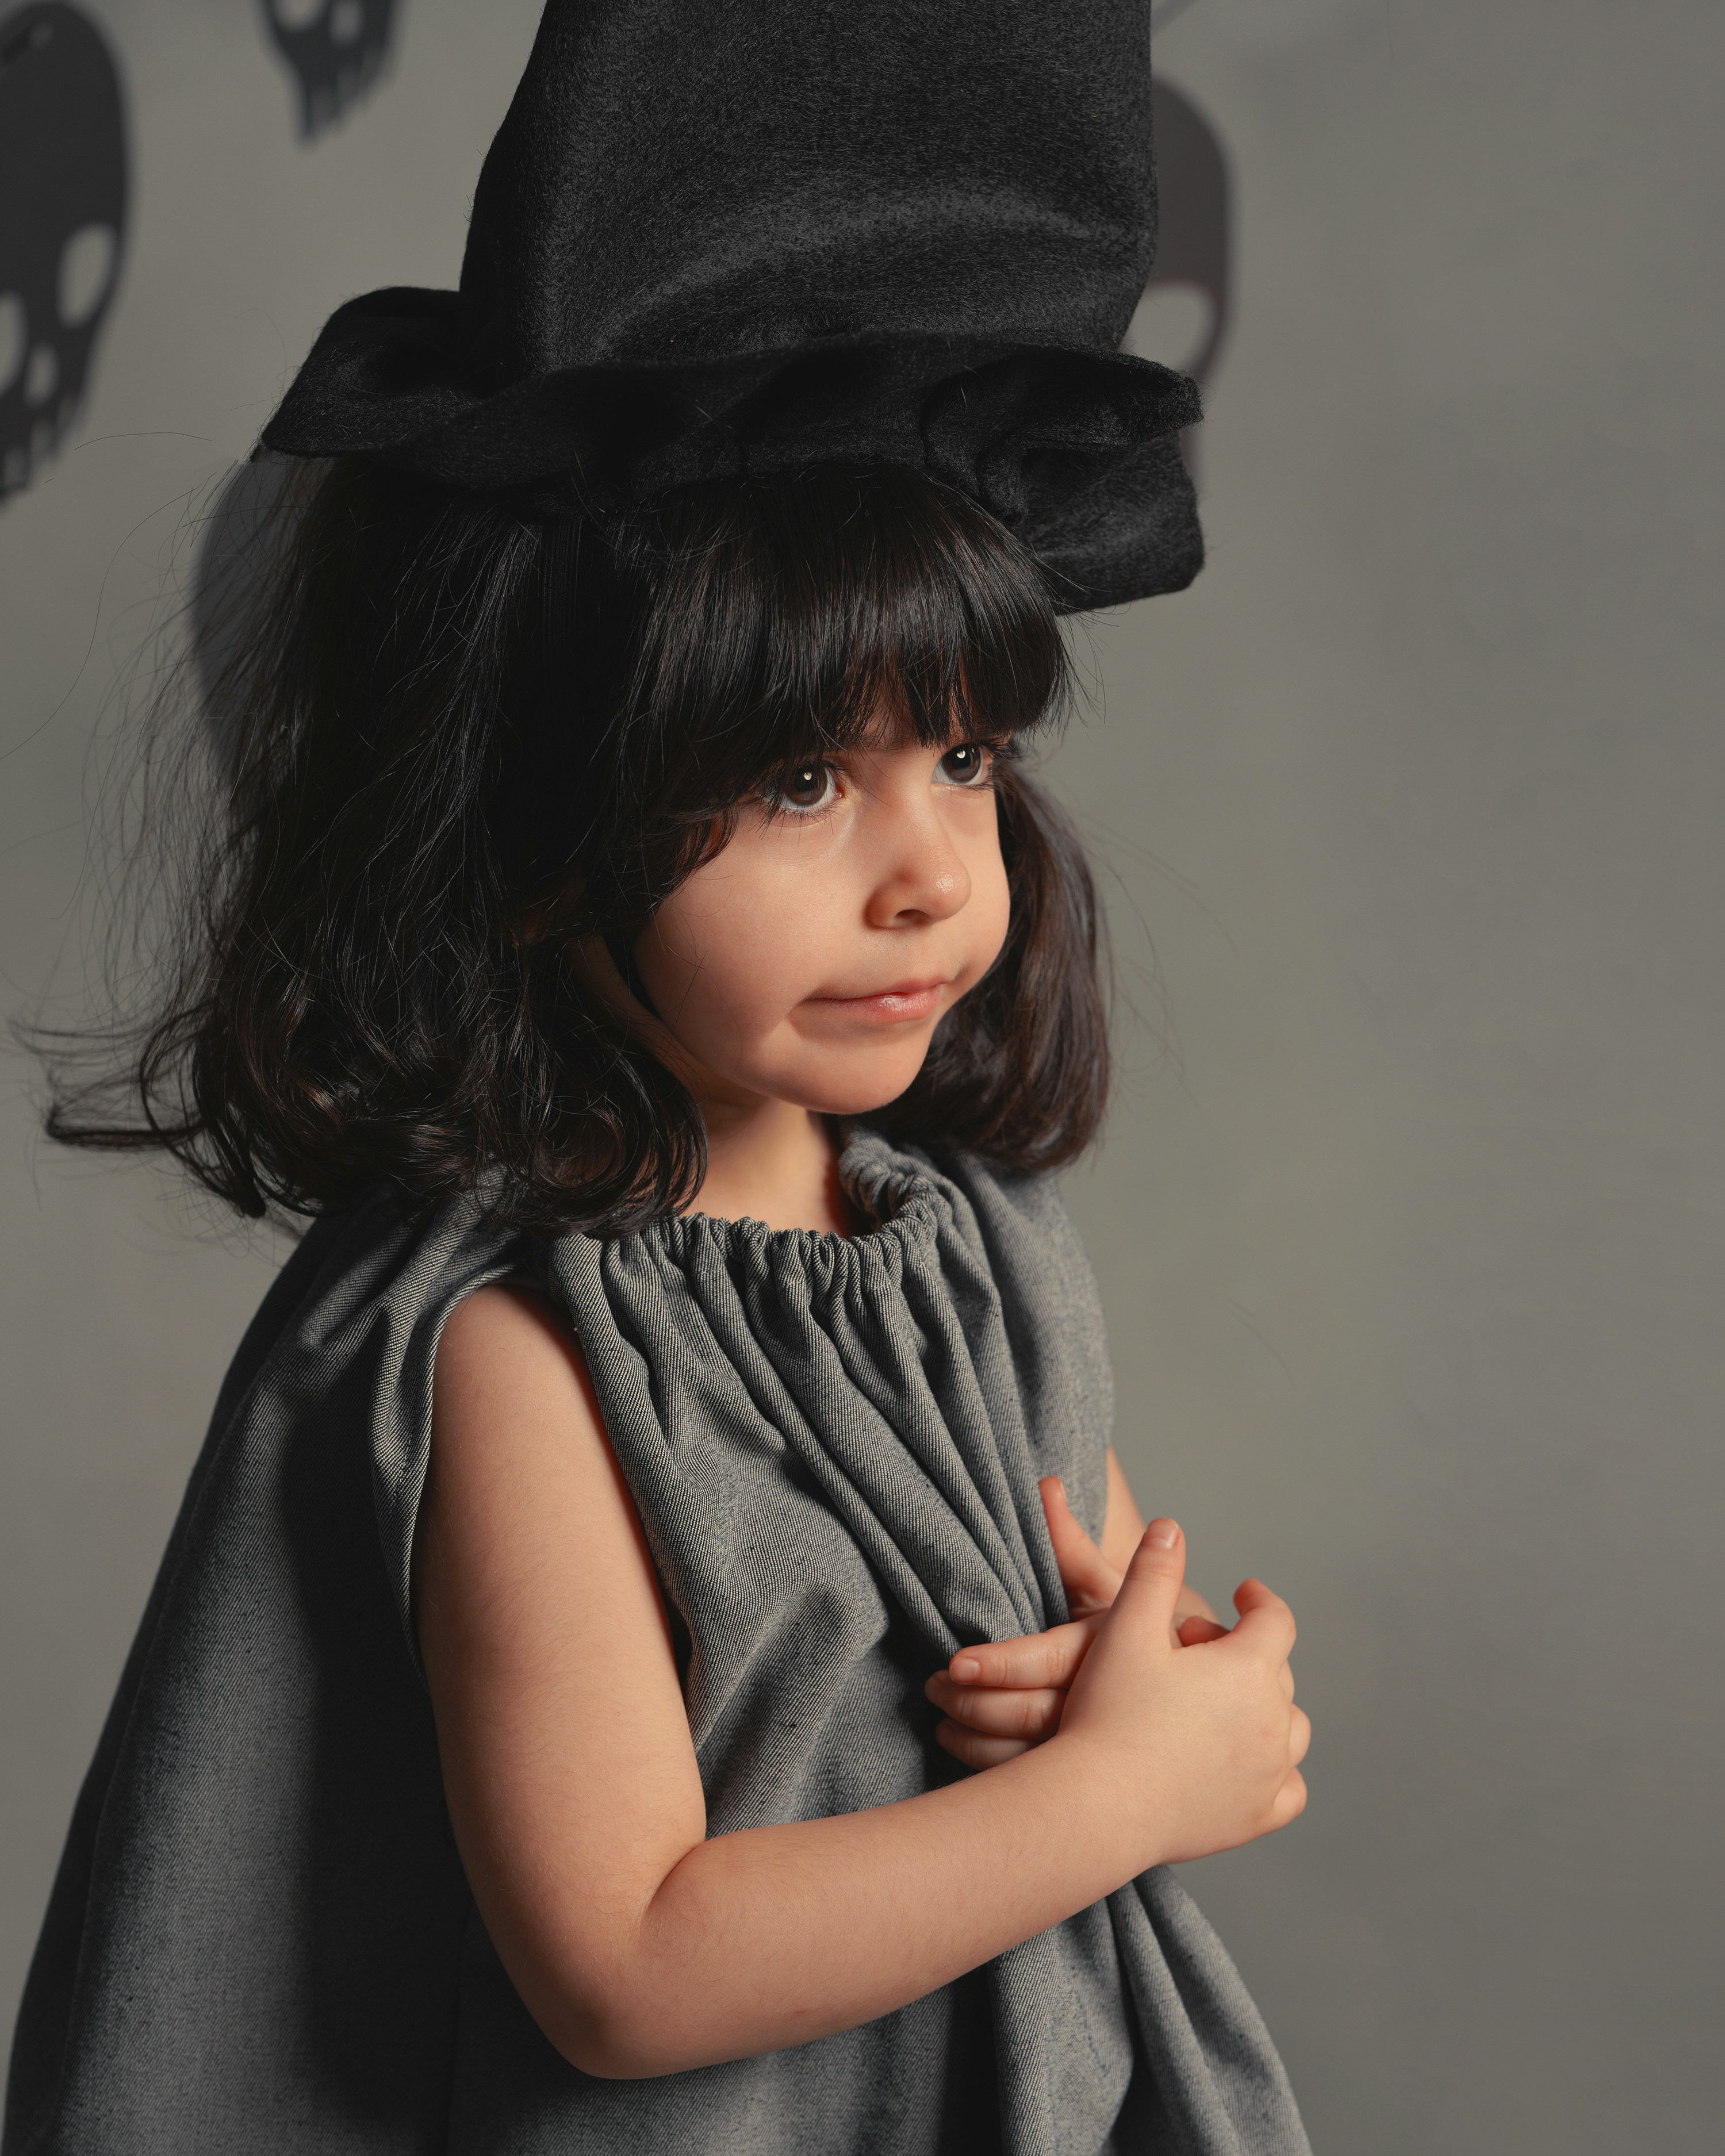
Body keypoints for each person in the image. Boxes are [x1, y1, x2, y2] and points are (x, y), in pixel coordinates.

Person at [6, 4, 1312, 2151]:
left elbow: (984, 1720)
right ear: (532, 844)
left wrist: (1174, 1706)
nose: (925, 875)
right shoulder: (526, 1354)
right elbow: (625, 1962)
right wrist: (1113, 1797)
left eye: (962, 755)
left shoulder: (975, 1256)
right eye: (800, 777)